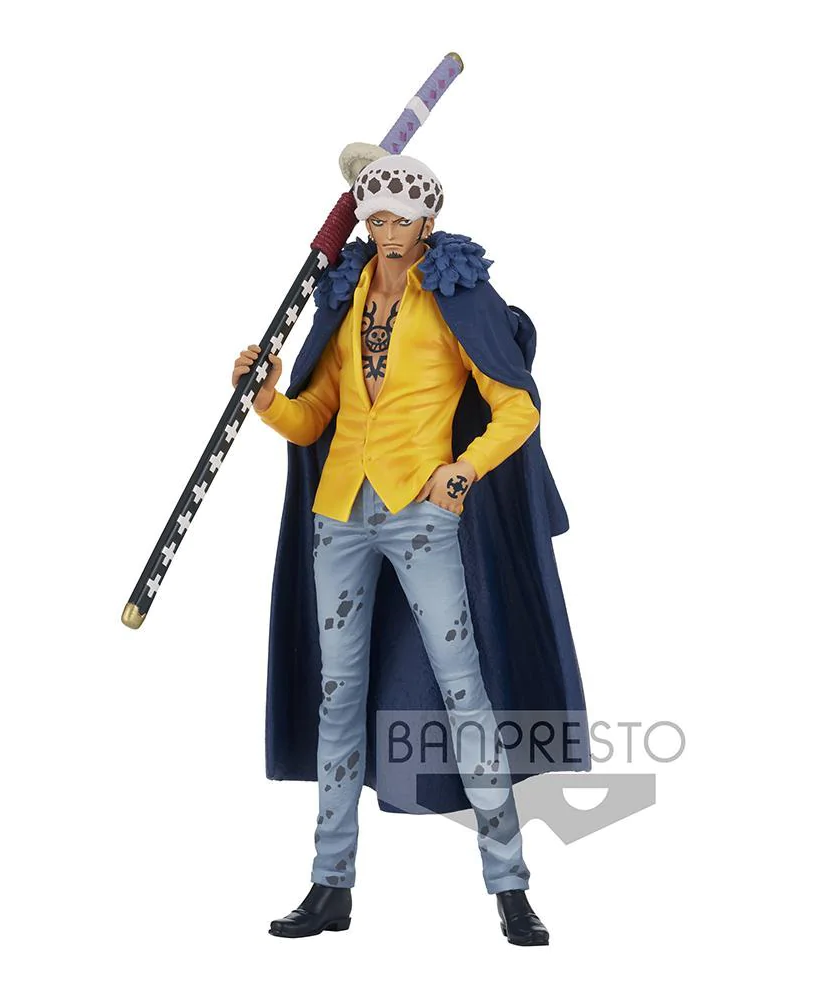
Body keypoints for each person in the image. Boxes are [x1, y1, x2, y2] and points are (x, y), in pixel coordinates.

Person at [233, 154, 586, 945]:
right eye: (376, 218)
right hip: (339, 515)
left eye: (400, 218)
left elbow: (516, 405)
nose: (386, 231)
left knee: (466, 693)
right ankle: (330, 884)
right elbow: (313, 418)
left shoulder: (458, 295)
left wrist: (464, 470)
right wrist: (267, 397)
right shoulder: (346, 295)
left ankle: (510, 887)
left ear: (428, 220)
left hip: (420, 516)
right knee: (337, 700)